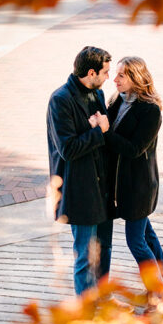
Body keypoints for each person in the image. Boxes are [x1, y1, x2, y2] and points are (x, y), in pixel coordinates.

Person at [46, 45, 113, 297]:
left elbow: (105, 131)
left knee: (104, 248)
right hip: (81, 188)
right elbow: (68, 149)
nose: (108, 77)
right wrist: (97, 130)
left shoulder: (98, 93)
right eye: (105, 72)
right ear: (91, 72)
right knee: (85, 255)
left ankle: (103, 300)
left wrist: (99, 129)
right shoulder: (60, 100)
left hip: (102, 186)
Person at [103, 56, 163, 303]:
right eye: (116, 73)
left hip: (139, 187)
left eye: (121, 75)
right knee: (146, 235)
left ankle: (158, 293)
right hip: (122, 186)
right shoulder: (116, 100)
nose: (115, 79)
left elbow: (134, 149)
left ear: (136, 78)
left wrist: (105, 132)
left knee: (136, 242)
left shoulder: (150, 111)